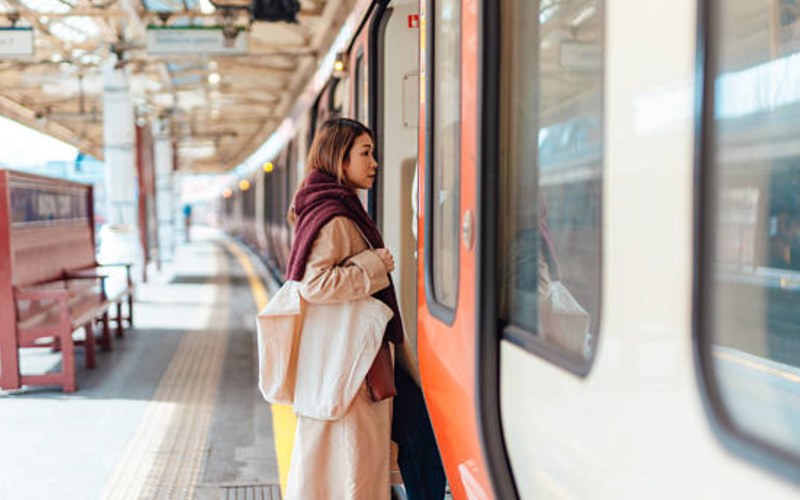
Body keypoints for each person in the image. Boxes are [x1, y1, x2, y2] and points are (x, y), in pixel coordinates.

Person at [283, 118, 402, 499]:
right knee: (354, 471)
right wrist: (375, 266)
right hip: (350, 365)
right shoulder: (335, 218)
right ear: (339, 157)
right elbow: (314, 284)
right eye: (365, 153)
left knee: (342, 471)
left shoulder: (331, 207)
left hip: (343, 361)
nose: (374, 163)